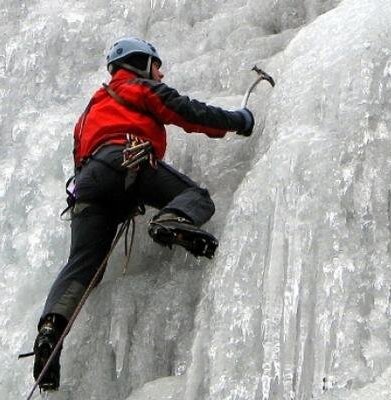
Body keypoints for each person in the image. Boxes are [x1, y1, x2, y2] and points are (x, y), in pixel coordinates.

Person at [31, 37, 255, 390]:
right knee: (194, 197)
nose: (161, 72)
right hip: (128, 159)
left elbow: (81, 156)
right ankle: (172, 219)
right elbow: (187, 113)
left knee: (84, 264)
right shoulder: (138, 88)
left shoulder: (89, 112)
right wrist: (238, 121)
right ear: (140, 64)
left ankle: (50, 331)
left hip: (87, 184)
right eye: (156, 65)